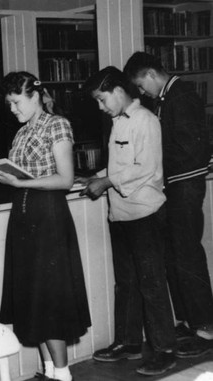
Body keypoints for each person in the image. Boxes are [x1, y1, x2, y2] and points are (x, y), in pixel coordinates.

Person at [0, 71, 90, 381]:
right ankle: (47, 371)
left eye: (16, 102)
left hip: (48, 216)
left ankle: (62, 372)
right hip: (24, 216)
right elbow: (23, 172)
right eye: (9, 104)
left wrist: (16, 180)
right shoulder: (22, 131)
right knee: (33, 298)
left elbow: (65, 179)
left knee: (49, 298)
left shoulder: (57, 125)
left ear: (35, 96)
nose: (12, 109)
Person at [80, 66, 176, 376]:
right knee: (127, 284)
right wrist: (92, 178)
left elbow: (144, 168)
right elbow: (118, 166)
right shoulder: (117, 122)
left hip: (145, 214)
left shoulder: (145, 120)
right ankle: (129, 343)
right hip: (121, 214)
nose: (100, 106)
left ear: (119, 91)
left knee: (151, 285)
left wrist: (106, 183)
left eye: (102, 99)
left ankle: (165, 350)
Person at [124, 51, 213, 358]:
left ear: (149, 75)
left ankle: (206, 327)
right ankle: (192, 321)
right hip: (175, 187)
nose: (141, 92)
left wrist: (155, 162)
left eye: (140, 85)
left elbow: (191, 149)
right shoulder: (167, 97)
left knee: (188, 255)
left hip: (185, 186)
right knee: (178, 255)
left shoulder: (180, 95)